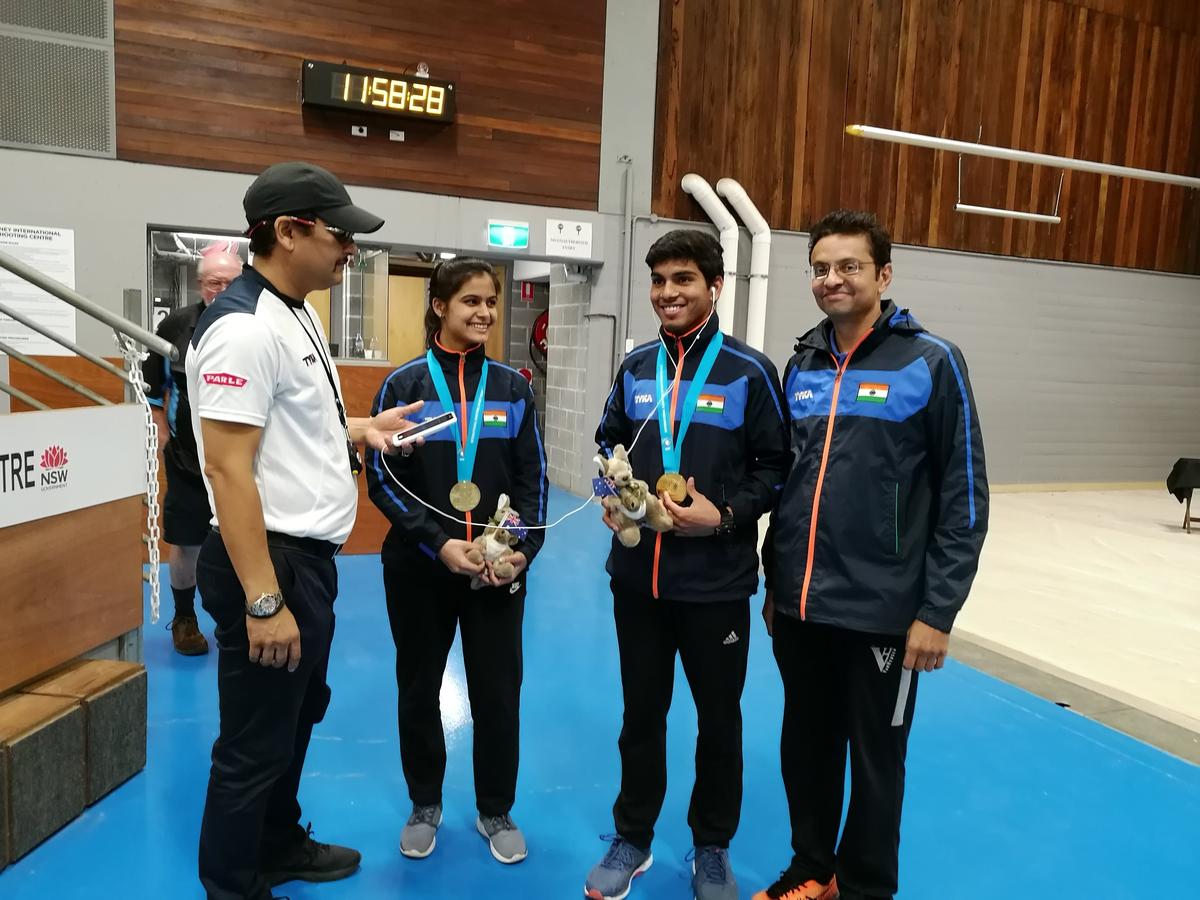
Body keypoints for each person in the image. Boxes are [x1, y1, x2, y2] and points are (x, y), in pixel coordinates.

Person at [186, 161, 424, 900]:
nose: (350, 248)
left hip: (305, 563)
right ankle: (232, 884)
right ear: (288, 232)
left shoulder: (298, 310)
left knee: (292, 724)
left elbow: (285, 425)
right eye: (339, 233)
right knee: (253, 744)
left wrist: (360, 428)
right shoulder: (242, 329)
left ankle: (278, 843)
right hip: (269, 563)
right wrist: (263, 600)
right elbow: (228, 470)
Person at [753, 210, 989, 900]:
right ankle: (813, 869)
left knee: (877, 760)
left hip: (886, 612)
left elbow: (964, 497)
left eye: (849, 266)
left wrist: (938, 611)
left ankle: (865, 889)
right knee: (806, 748)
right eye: (821, 268)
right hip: (800, 606)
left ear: (883, 275)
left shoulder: (931, 363)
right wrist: (776, 583)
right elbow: (792, 484)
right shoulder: (801, 365)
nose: (833, 279)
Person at [585, 229, 790, 900]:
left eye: (683, 280)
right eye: (659, 281)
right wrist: (608, 498)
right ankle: (634, 837)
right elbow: (605, 443)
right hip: (637, 581)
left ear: (715, 286)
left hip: (716, 583)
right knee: (641, 715)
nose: (668, 293)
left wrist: (724, 516)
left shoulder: (749, 371)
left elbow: (776, 468)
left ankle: (711, 845)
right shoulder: (637, 367)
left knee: (717, 719)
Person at [365, 257, 547, 866]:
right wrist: (438, 543)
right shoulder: (405, 386)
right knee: (417, 688)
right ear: (439, 306)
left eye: (491, 302)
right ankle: (425, 804)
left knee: (499, 693)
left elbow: (534, 483)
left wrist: (518, 552)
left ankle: (496, 808)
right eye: (471, 301)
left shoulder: (514, 387)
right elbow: (383, 480)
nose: (484, 313)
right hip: (421, 569)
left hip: (495, 572)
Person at [144, 247, 243, 655]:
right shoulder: (176, 326)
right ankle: (184, 617)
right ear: (201, 284)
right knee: (187, 543)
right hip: (187, 460)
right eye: (212, 282)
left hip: (244, 458)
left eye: (230, 283)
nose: (220, 290)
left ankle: (241, 616)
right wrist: (161, 429)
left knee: (244, 538)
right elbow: (153, 387)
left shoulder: (257, 325)